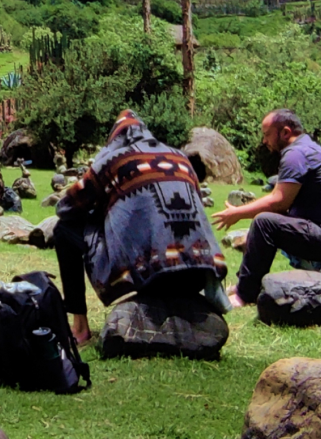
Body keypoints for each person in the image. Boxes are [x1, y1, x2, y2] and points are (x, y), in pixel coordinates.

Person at [52, 110, 229, 344]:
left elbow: (67, 208)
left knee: (63, 230)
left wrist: (105, 207)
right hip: (197, 273)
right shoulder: (181, 158)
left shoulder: (115, 159)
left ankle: (80, 327)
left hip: (152, 275)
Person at [210, 109, 321, 306]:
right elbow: (281, 204)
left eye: (267, 134)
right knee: (266, 220)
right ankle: (244, 283)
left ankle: (243, 296)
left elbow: (279, 201)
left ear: (285, 132)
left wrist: (237, 213)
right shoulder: (305, 148)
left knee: (264, 222)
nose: (264, 141)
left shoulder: (296, 153)